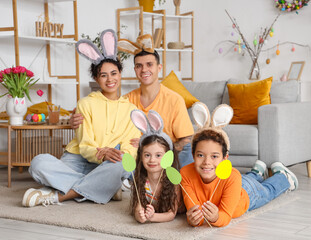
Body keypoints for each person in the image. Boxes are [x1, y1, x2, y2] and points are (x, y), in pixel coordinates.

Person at [22, 29, 140, 207]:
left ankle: (59, 196)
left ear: (120, 74)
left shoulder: (131, 109)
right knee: (38, 163)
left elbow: (130, 146)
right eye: (103, 75)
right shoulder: (85, 103)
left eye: (114, 73)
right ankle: (103, 187)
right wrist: (101, 153)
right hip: (77, 159)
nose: (110, 79)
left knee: (124, 163)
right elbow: (85, 146)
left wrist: (117, 154)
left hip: (108, 163)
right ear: (96, 78)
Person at [71, 34, 194, 169]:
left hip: (165, 155)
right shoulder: (127, 100)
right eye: (139, 66)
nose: (144, 70)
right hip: (138, 157)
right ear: (135, 70)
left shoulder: (174, 100)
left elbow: (186, 140)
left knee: (189, 148)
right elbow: (104, 114)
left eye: (149, 64)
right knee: (120, 154)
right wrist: (75, 119)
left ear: (159, 68)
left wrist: (158, 148)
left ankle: (177, 183)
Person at [180, 102, 299, 227]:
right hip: (235, 183)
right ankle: (255, 173)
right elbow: (194, 211)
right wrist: (193, 219)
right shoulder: (185, 173)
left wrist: (216, 218)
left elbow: (225, 216)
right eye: (200, 155)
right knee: (244, 179)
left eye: (214, 156)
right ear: (193, 155)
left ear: (225, 158)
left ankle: (283, 177)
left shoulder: (233, 177)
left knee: (267, 191)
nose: (206, 162)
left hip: (247, 193)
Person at [129, 109, 182, 223]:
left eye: (158, 155)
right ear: (141, 156)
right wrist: (140, 216)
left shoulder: (173, 181)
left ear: (168, 157)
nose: (152, 160)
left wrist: (153, 217)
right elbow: (138, 207)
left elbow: (171, 214)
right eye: (147, 155)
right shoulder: (141, 180)